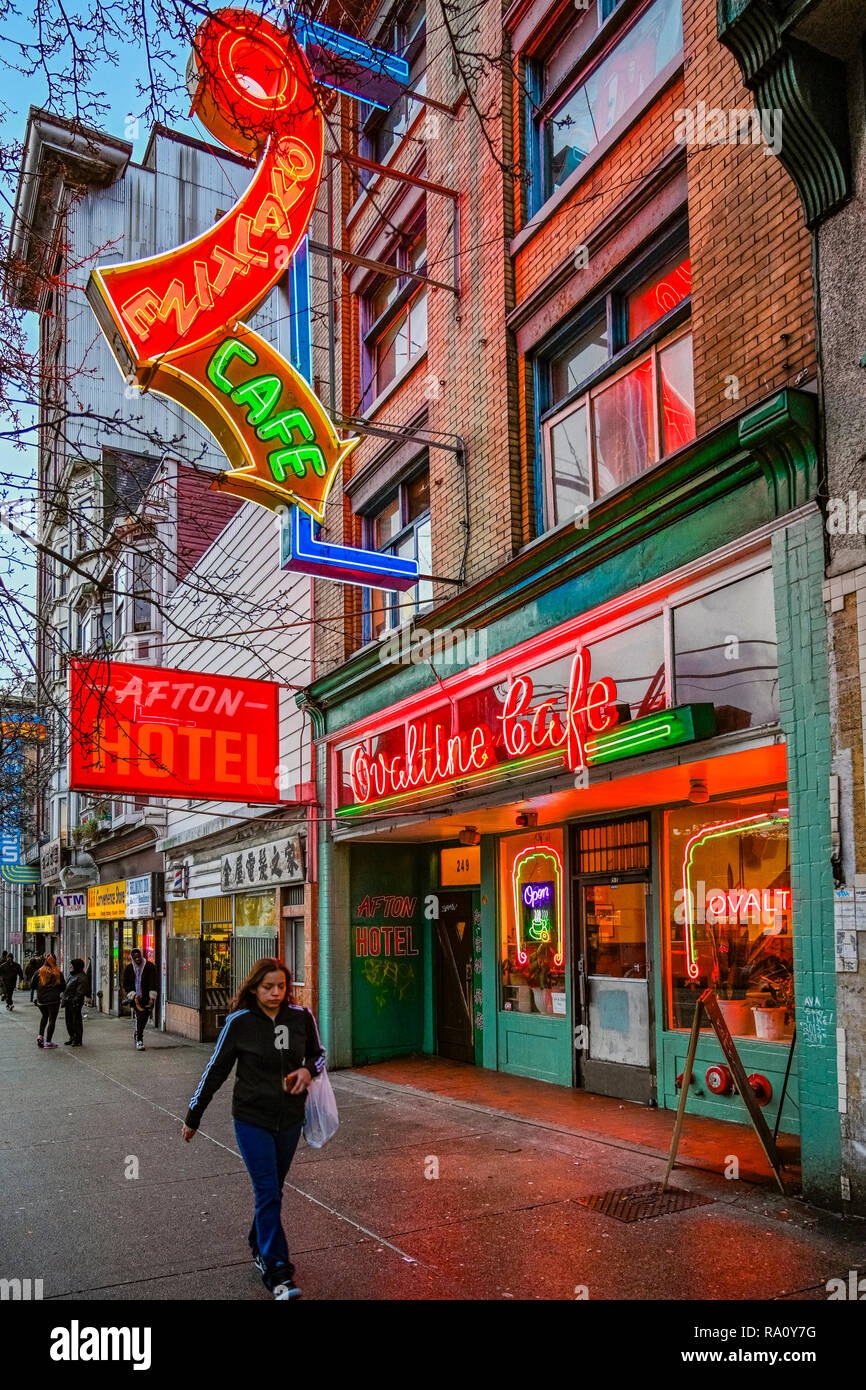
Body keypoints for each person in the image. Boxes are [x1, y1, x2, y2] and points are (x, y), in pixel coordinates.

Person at [182, 958, 325, 1301]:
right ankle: (278, 1271)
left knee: (272, 1190)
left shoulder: (301, 1018)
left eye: (281, 987)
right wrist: (193, 1115)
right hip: (251, 1120)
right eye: (267, 987)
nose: (276, 993)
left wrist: (307, 1071)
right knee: (267, 1191)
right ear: (254, 988)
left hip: (290, 1119)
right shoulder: (239, 1023)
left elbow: (318, 1055)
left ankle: (258, 1240)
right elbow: (214, 1071)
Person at [121, 947, 158, 1050]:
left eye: (138, 956)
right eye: (135, 957)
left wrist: (152, 997)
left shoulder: (150, 966)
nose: (137, 959)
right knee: (139, 1016)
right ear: (132, 958)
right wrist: (132, 994)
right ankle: (139, 1040)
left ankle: (137, 1032)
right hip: (135, 997)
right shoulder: (129, 968)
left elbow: (153, 981)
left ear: (141, 956)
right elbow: (125, 983)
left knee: (145, 1017)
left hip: (147, 996)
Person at [34, 954, 65, 1049]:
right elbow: (63, 986)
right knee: (52, 1020)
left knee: (44, 1016)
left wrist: (40, 989)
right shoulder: (57, 972)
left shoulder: (39, 971)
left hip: (41, 1000)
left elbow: (32, 984)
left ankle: (40, 1036)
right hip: (53, 1000)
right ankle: (48, 1042)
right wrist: (55, 990)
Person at [61, 958, 88, 1046]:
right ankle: (72, 1037)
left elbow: (80, 992)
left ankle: (77, 1039)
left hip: (74, 1003)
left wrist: (74, 1001)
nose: (70, 967)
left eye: (71, 966)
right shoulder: (72, 975)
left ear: (76, 966)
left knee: (76, 1021)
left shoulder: (81, 977)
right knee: (69, 1021)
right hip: (68, 1001)